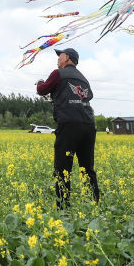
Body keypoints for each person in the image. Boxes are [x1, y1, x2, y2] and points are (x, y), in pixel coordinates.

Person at [36, 47, 99, 207]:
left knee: (62, 168)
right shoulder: (84, 79)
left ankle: (63, 208)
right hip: (88, 125)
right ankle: (94, 204)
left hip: (69, 125)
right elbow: (89, 95)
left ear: (67, 58)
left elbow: (42, 90)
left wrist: (40, 82)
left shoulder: (58, 74)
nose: (58, 58)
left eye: (60, 55)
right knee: (87, 168)